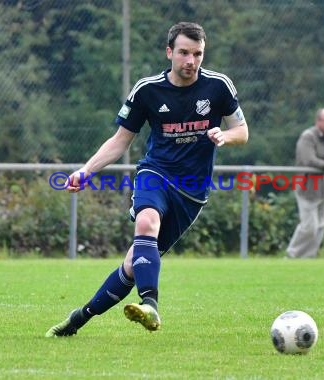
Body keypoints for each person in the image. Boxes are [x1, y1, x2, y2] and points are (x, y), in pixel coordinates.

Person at [45, 22, 248, 336]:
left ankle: (78, 318)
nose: (191, 61)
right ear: (169, 52)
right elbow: (120, 140)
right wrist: (86, 171)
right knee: (146, 223)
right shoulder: (147, 90)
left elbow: (242, 131)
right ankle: (150, 304)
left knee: (131, 265)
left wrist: (226, 135)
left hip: (192, 191)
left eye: (197, 54)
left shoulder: (218, 86)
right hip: (156, 173)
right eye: (183, 53)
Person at [286, 108, 324, 258]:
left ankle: (308, 257)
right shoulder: (308, 136)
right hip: (309, 186)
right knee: (309, 226)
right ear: (318, 121)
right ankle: (292, 256)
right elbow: (308, 159)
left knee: (321, 225)